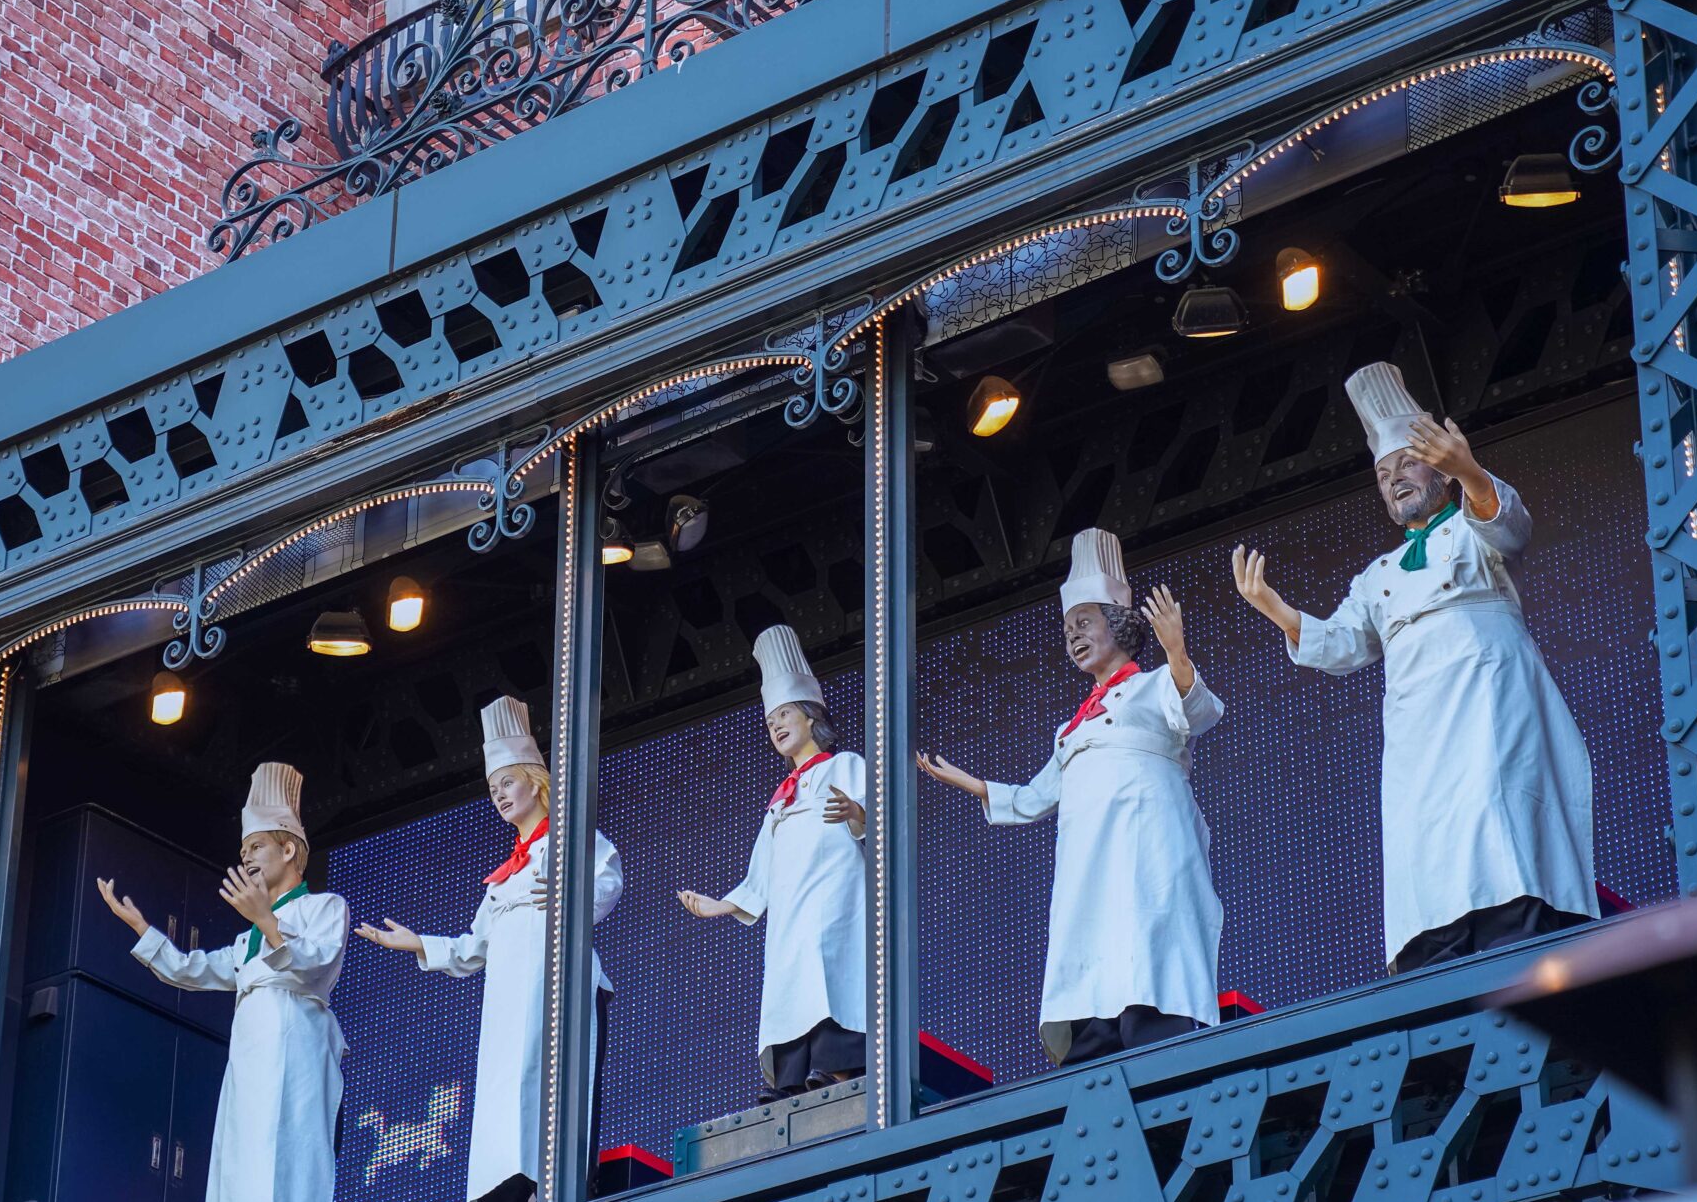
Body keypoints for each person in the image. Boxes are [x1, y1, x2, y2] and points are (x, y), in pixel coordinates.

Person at [1231, 360, 1597, 972]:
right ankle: (1438, 945)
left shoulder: (1472, 530)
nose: (1394, 480)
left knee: (1495, 808)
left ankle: (1516, 926)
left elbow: (1509, 526)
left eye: (1406, 463)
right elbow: (1343, 645)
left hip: (1487, 695)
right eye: (1382, 474)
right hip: (1415, 724)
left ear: (1441, 470)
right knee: (1426, 830)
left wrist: (1471, 470)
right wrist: (1273, 607)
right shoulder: (1377, 575)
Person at [918, 528, 1224, 1063]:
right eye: (1067, 630)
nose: (1074, 637)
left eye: (1084, 623)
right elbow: (1039, 795)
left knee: (1148, 936)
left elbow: (1196, 714)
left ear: (1120, 625)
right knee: (1093, 940)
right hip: (1089, 860)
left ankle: (1155, 1028)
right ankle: (1094, 1037)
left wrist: (1176, 651)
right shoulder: (1070, 729)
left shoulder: (1154, 684)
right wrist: (976, 786)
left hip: (1146, 840)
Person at [354, 697, 624, 1202]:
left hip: (557, 986)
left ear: (535, 782)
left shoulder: (571, 840)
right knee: (506, 1093)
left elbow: (608, 882)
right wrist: (418, 944)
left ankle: (555, 1184)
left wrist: (571, 895)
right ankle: (504, 1196)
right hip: (506, 1002)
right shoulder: (502, 879)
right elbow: (474, 947)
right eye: (492, 787)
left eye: (507, 782)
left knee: (553, 1079)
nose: (499, 795)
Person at [95, 761, 348, 1202]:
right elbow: (192, 969)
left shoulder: (324, 908)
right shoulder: (245, 944)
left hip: (298, 1053)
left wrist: (267, 921)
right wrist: (143, 930)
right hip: (250, 1069)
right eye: (244, 850)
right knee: (242, 1172)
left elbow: (315, 966)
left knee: (290, 1172)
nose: (248, 858)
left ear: (288, 850)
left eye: (257, 846)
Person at [676, 624, 870, 1100]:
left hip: (834, 897)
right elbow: (760, 872)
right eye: (771, 721)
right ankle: (790, 1079)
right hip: (789, 913)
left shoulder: (842, 764)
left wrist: (856, 813)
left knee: (831, 977)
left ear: (810, 717)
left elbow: (878, 818)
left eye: (786, 714)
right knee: (790, 989)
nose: (778, 725)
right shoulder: (779, 801)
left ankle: (837, 1066)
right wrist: (723, 905)